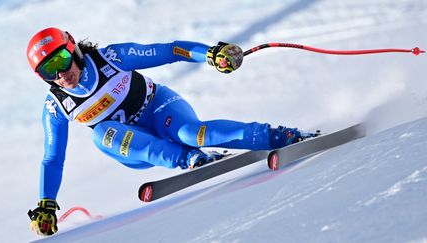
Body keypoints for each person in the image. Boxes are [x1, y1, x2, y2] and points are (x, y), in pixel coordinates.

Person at [26, 27, 313, 236]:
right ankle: (189, 160)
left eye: (61, 60)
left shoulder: (111, 58)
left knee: (191, 134)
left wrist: (211, 55)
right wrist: (46, 204)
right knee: (102, 134)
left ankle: (280, 136)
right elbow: (52, 159)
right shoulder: (56, 107)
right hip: (133, 145)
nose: (61, 74)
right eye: (49, 71)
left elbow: (170, 50)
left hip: (159, 106)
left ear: (73, 48)